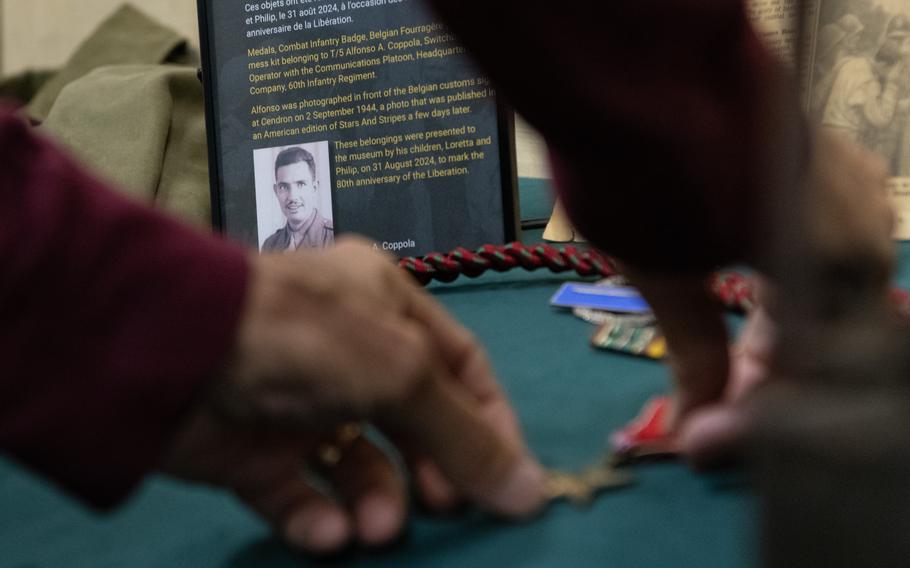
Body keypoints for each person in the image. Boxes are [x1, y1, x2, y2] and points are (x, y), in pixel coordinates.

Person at [0, 109, 545, 554]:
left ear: (312, 186)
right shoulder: (276, 243)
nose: (289, 197)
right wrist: (206, 307)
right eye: (280, 188)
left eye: (298, 185)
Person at [820, 14, 910, 150]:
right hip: (846, 143)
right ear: (886, 66)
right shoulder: (867, 77)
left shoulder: (853, 64)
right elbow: (881, 119)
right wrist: (892, 84)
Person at [261, 146, 334, 252]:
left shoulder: (335, 237)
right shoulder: (269, 246)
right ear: (276, 191)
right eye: (283, 187)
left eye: (301, 184)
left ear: (314, 188)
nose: (292, 197)